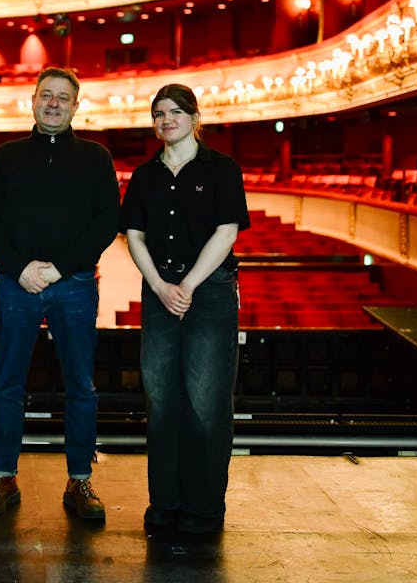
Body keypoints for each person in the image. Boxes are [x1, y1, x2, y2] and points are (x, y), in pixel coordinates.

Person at [0, 67, 121, 521]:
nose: (54, 104)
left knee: (81, 386)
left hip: (74, 283)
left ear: (76, 107)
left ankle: (80, 479)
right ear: (33, 101)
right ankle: (3, 476)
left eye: (64, 98)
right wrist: (20, 269)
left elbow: (106, 221)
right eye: (47, 96)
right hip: (18, 284)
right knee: (7, 386)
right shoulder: (6, 156)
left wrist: (60, 267)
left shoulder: (96, 157)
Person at [119, 83, 250, 535]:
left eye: (175, 111)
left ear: (195, 117)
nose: (166, 119)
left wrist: (188, 284)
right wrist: (159, 285)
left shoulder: (221, 169)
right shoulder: (144, 176)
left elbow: (227, 232)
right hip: (160, 291)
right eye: (158, 113)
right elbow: (133, 235)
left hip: (208, 290)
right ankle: (166, 502)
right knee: (161, 400)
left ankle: (204, 507)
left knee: (207, 402)